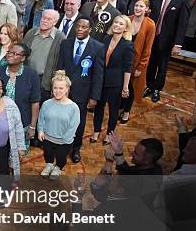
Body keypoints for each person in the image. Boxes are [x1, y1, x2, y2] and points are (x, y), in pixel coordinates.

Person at [57, 16, 105, 163]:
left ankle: (76, 149)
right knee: (61, 119)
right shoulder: (65, 43)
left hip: (83, 93)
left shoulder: (97, 47)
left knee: (78, 122)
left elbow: (98, 75)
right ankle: (60, 146)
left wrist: (94, 97)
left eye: (83, 27)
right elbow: (60, 67)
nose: (79, 29)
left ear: (90, 29)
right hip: (64, 91)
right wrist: (58, 87)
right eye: (78, 26)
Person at [144, 0, 191, 103]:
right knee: (151, 64)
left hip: (168, 40)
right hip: (153, 37)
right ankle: (150, 86)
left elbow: (182, 24)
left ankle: (157, 89)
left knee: (162, 66)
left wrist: (178, 44)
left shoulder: (183, 0)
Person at [91, 15, 134, 144]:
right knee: (99, 107)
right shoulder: (105, 39)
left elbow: (128, 68)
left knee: (113, 110)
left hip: (115, 83)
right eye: (115, 22)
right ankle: (96, 131)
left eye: (121, 24)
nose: (116, 25)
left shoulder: (127, 45)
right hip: (101, 81)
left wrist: (125, 87)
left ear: (126, 28)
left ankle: (109, 134)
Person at [0, 44, 41, 154]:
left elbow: (35, 102)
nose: (10, 55)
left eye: (15, 54)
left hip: (22, 123)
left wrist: (32, 127)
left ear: (23, 58)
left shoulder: (31, 75)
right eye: (9, 52)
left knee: (18, 156)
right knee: (0, 154)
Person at [37, 71, 80, 179]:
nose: (58, 91)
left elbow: (73, 125)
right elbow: (41, 118)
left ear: (67, 89)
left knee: (61, 158)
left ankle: (58, 168)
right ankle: (49, 165)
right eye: (55, 88)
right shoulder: (47, 104)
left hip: (63, 141)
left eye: (61, 88)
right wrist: (41, 130)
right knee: (48, 155)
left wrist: (66, 139)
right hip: (47, 138)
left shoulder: (73, 107)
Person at [120, 0, 156, 122]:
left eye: (141, 6)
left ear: (146, 9)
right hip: (123, 60)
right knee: (121, 84)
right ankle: (120, 107)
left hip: (137, 63)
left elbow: (148, 48)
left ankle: (126, 111)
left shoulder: (150, 24)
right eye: (136, 5)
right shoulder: (127, 19)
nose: (138, 8)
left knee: (131, 87)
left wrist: (141, 67)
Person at [22, 9, 65, 101]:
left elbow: (61, 62)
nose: (44, 21)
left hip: (45, 81)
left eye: (49, 19)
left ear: (55, 22)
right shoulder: (31, 33)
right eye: (43, 18)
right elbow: (22, 53)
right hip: (27, 78)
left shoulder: (60, 37)